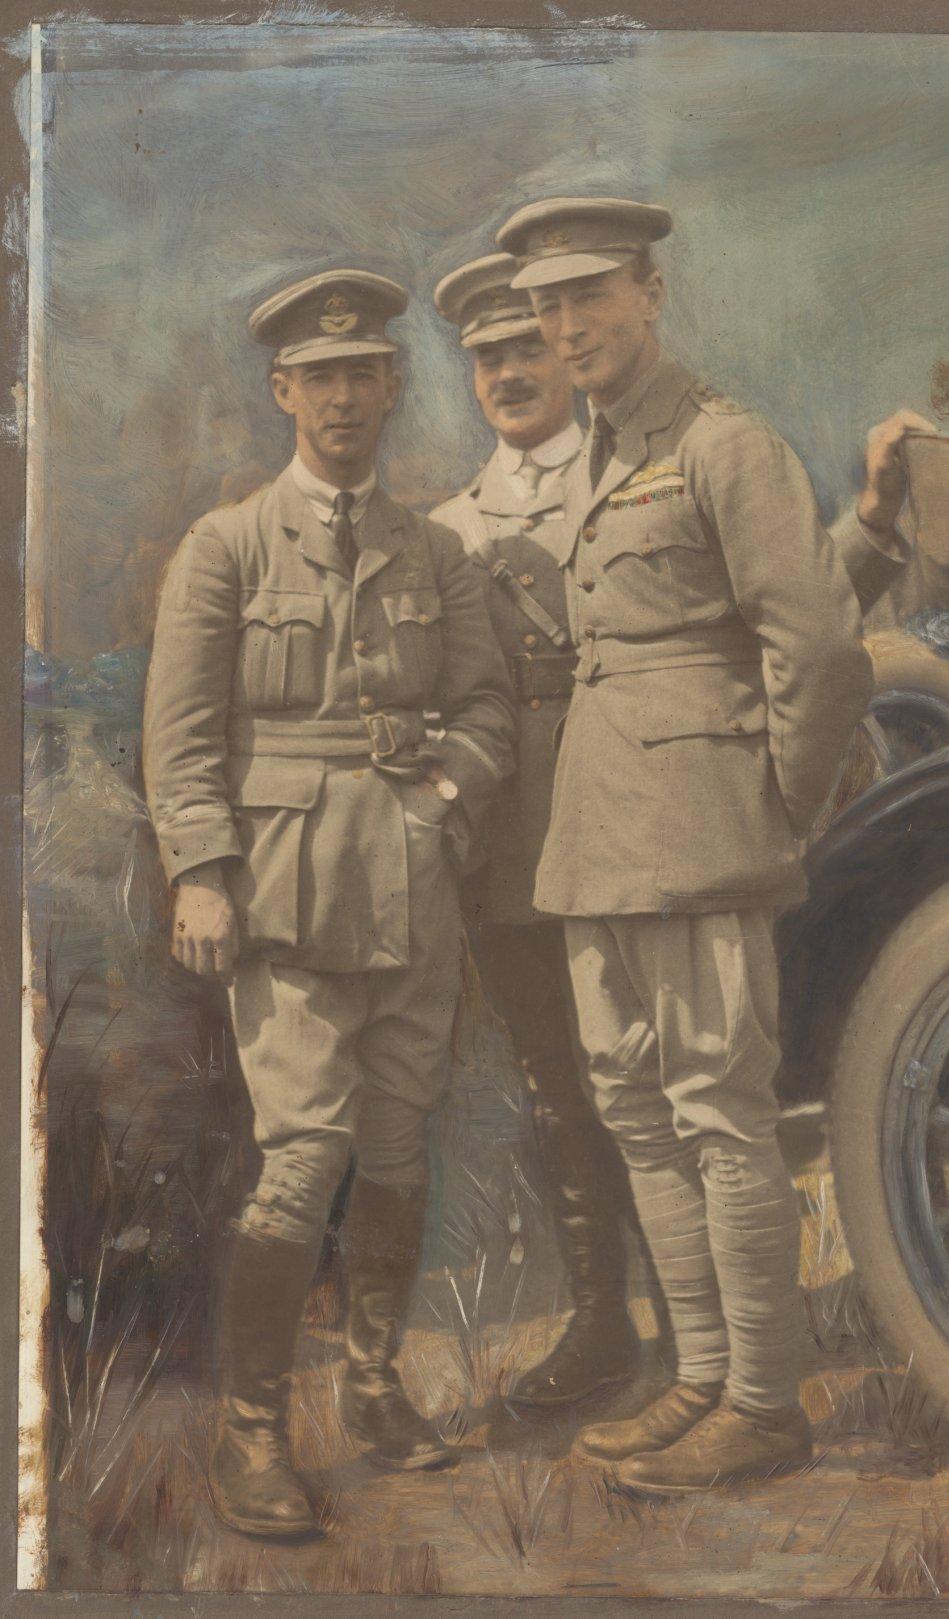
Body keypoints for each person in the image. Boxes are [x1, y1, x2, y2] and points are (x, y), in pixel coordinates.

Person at [494, 195, 919, 1494]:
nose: (567, 325)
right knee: (636, 1111)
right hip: (598, 839)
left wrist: (775, 804)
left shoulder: (722, 443)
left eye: (590, 295)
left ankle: (763, 1400)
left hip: (695, 834)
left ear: (650, 291)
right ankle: (700, 1375)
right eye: (547, 305)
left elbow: (817, 648)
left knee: (719, 1116)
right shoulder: (609, 451)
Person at [143, 269, 515, 1536]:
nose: (344, 397)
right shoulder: (228, 546)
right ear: (282, 391)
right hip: (286, 898)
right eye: (320, 377)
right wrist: (201, 868)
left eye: (364, 374)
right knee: (304, 1159)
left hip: (411, 889)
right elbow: (181, 732)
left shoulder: (435, 550)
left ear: (392, 388)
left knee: (399, 1148)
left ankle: (370, 1384)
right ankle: (253, 1428)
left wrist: (448, 793)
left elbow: (485, 705)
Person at [431, 252, 673, 1406]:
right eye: (488, 356)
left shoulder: (632, 479)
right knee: (556, 1079)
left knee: (659, 1064)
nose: (510, 372)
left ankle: (708, 1323)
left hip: (633, 810)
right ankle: (601, 1322)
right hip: (515, 846)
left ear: (564, 352)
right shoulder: (447, 527)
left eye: (528, 344)